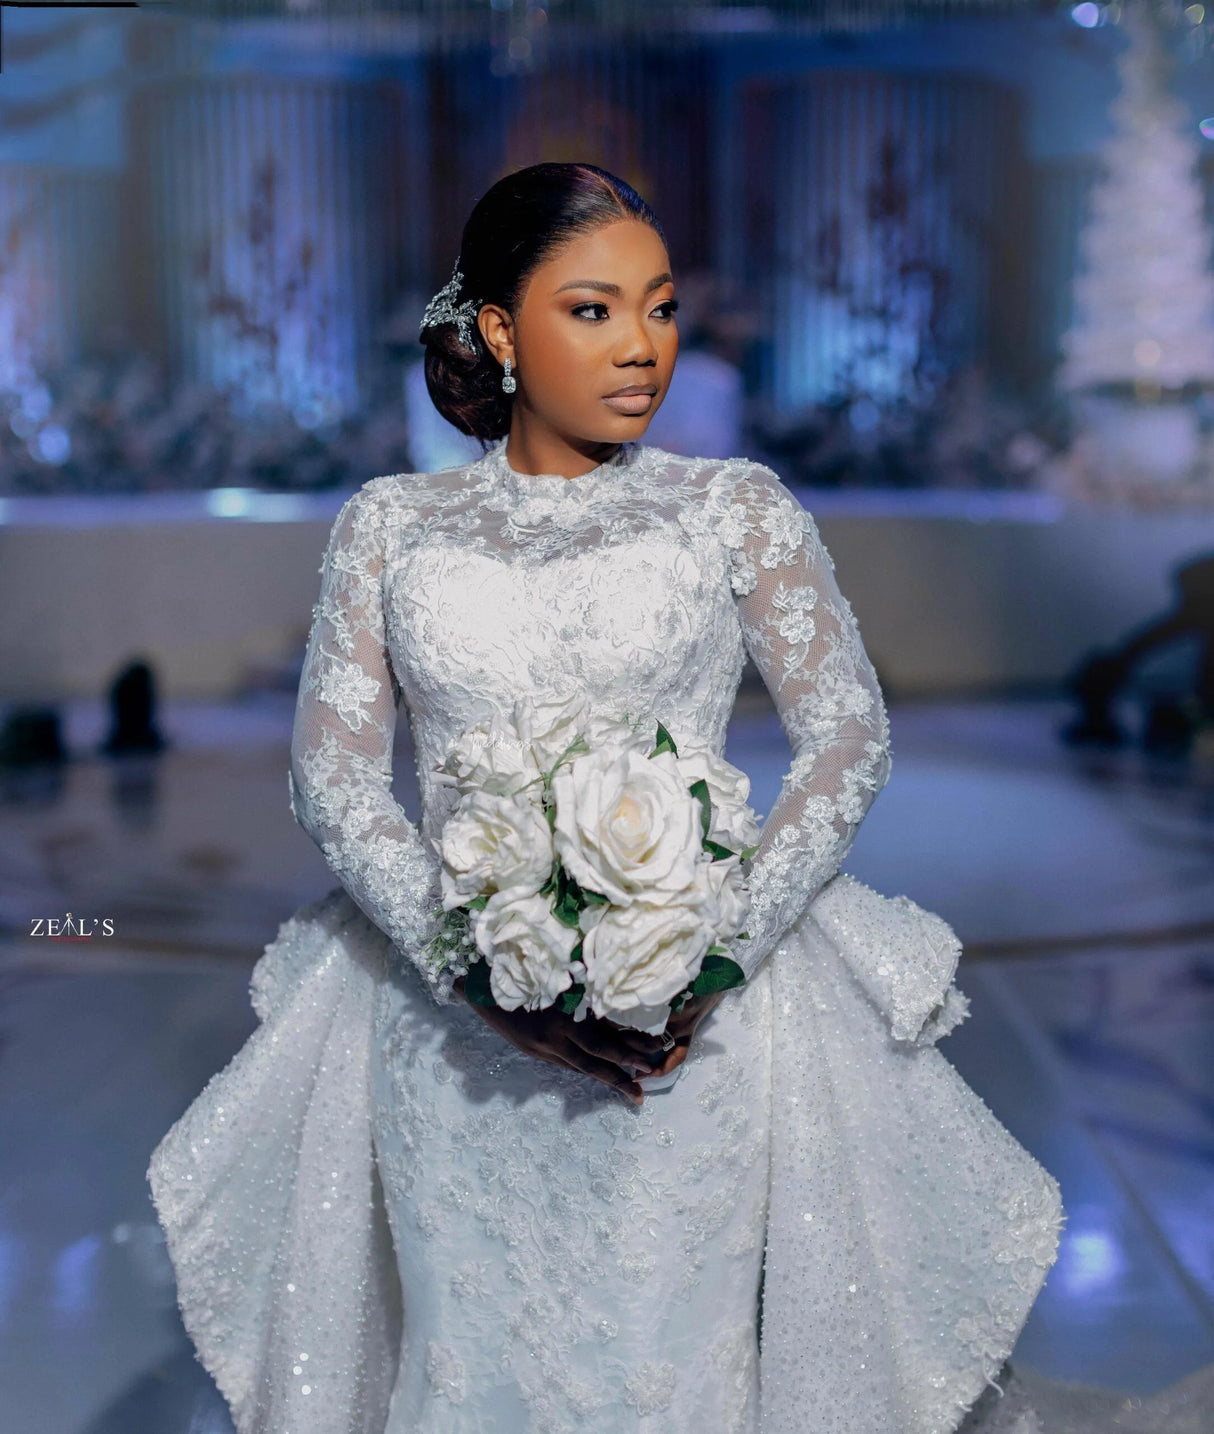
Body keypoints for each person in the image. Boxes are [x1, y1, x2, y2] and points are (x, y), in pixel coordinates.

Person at [148, 162, 1069, 1434]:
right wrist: (466, 959)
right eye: (593, 310)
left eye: (661, 307)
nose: (643, 347)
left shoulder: (731, 508)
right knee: (469, 1358)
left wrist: (715, 947)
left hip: (691, 1038)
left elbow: (846, 736)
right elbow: (331, 775)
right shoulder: (389, 524)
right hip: (447, 1032)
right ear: (494, 331)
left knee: (669, 1364)